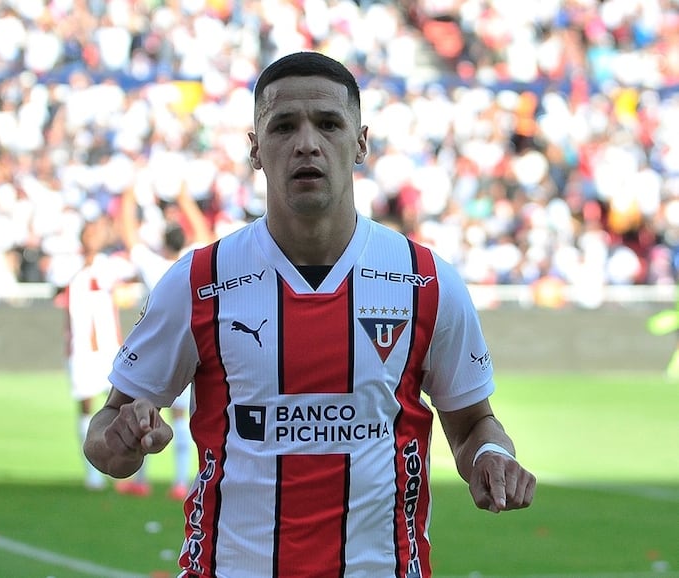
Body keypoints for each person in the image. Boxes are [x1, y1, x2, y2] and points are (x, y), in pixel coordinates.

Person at [84, 51, 536, 577]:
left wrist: (489, 457)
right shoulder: (199, 281)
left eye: (327, 124)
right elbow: (107, 433)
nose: (306, 143)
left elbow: (473, 423)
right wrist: (122, 440)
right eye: (283, 126)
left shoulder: (426, 282)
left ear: (360, 142)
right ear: (255, 149)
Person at [112, 183, 214, 499]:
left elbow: (129, 234)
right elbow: (203, 231)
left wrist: (129, 193)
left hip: (156, 353)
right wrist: (184, 195)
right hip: (190, 351)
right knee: (182, 418)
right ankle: (181, 482)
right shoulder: (194, 260)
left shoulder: (154, 264)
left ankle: (140, 479)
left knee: (139, 415)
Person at [60, 214, 136, 490]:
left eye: (96, 232)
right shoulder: (70, 266)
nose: (93, 237)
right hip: (80, 349)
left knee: (120, 406)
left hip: (109, 349)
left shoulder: (109, 266)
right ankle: (91, 473)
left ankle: (126, 469)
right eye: (89, 232)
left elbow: (130, 275)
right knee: (85, 406)